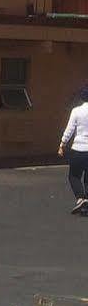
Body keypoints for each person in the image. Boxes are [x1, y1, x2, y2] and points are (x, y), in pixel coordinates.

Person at [63, 83, 88, 216]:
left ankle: (80, 198)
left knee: (74, 175)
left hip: (78, 148)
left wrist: (62, 143)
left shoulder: (76, 111)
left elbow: (70, 129)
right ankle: (86, 201)